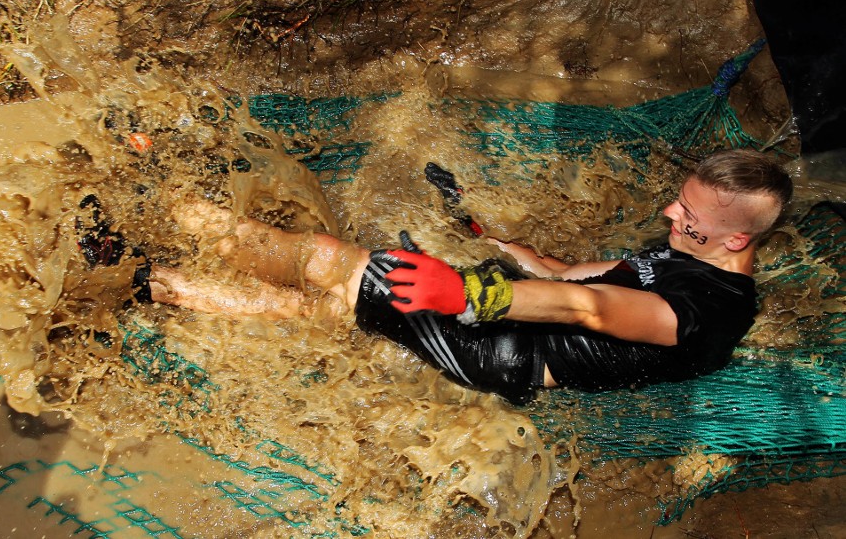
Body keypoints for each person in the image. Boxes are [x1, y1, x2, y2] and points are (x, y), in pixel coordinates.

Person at [85, 149, 792, 405]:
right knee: (334, 311)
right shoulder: (693, 249)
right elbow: (579, 274)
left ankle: (163, 205)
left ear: (737, 237)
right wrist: (505, 248)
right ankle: (152, 282)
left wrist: (471, 292)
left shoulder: (709, 310)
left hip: (499, 347)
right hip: (504, 326)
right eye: (678, 198)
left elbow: (594, 308)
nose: (670, 212)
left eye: (688, 213)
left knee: (332, 262)